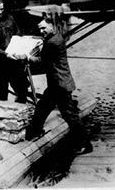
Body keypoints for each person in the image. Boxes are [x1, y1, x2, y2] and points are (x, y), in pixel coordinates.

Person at [25, 13, 92, 155]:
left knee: (70, 116)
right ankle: (35, 132)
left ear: (51, 26)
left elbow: (43, 63)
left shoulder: (51, 42)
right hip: (59, 84)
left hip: (59, 86)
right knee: (43, 107)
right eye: (40, 29)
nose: (41, 31)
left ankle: (85, 144)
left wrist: (28, 57)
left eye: (44, 28)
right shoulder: (56, 37)